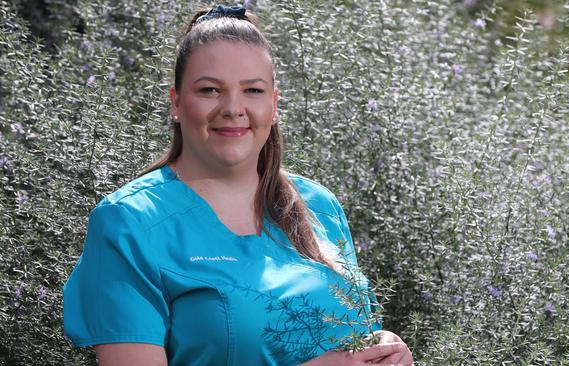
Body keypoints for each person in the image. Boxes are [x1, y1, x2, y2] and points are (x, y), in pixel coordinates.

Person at [63, 4, 413, 365]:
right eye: (210, 90)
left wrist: (386, 349)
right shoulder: (129, 223)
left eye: (253, 90)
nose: (233, 107)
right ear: (176, 103)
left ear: (274, 105)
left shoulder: (318, 205)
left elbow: (352, 336)